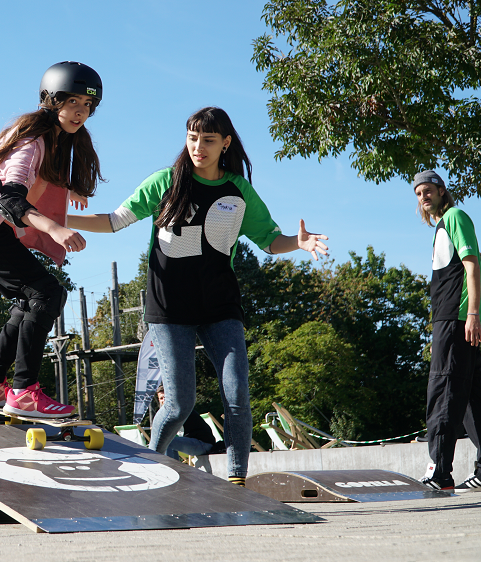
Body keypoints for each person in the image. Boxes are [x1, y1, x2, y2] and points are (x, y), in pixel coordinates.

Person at [68, 107, 329, 486]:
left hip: (220, 306)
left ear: (225, 144)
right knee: (177, 405)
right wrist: (59, 218)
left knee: (237, 395)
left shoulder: (238, 191)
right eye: (192, 138)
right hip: (169, 309)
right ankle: (148, 471)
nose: (198, 147)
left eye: (208, 140)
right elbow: (113, 221)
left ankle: (237, 481)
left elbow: (270, 241)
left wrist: (298, 243)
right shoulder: (165, 183)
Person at [0, 61, 104, 418]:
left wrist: (69, 190)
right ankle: (23, 391)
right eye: (72, 102)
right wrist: (55, 228)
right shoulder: (31, 140)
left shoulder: (61, 139)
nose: (80, 111)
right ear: (51, 100)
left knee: (28, 299)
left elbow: (45, 181)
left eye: (87, 105)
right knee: (48, 292)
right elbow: (11, 198)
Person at [412, 170, 481, 492]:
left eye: (428, 190)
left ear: (441, 191)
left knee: (443, 391)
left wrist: (473, 314)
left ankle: (440, 472)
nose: (424, 197)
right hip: (451, 319)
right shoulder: (440, 225)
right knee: (471, 397)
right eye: (419, 193)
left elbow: (473, 264)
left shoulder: (455, 216)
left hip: (456, 319)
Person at [154, 385, 225, 460]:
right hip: (193, 443)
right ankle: (172, 468)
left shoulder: (179, 409)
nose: (163, 400)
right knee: (164, 441)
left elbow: (168, 432)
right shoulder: (168, 412)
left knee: (166, 442)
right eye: (161, 398)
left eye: (165, 397)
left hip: (203, 445)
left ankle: (170, 469)